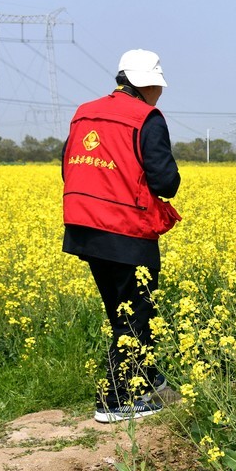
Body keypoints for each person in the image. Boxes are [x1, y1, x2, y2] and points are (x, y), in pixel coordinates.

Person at [62, 49, 182, 423]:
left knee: (121, 312)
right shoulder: (146, 117)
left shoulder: (84, 112)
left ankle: (145, 378)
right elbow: (165, 181)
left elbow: (68, 166)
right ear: (147, 84)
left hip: (85, 227)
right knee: (137, 315)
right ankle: (117, 401)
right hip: (126, 229)